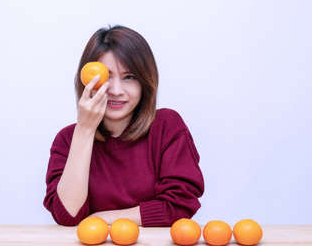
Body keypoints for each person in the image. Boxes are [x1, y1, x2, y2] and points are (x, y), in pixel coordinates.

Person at [43, 25, 205, 227]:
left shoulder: (167, 126)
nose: (117, 90)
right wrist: (84, 130)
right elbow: (67, 216)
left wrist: (101, 219)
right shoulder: (67, 139)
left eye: (129, 77)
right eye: (106, 76)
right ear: (86, 80)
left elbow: (180, 205)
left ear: (145, 82)